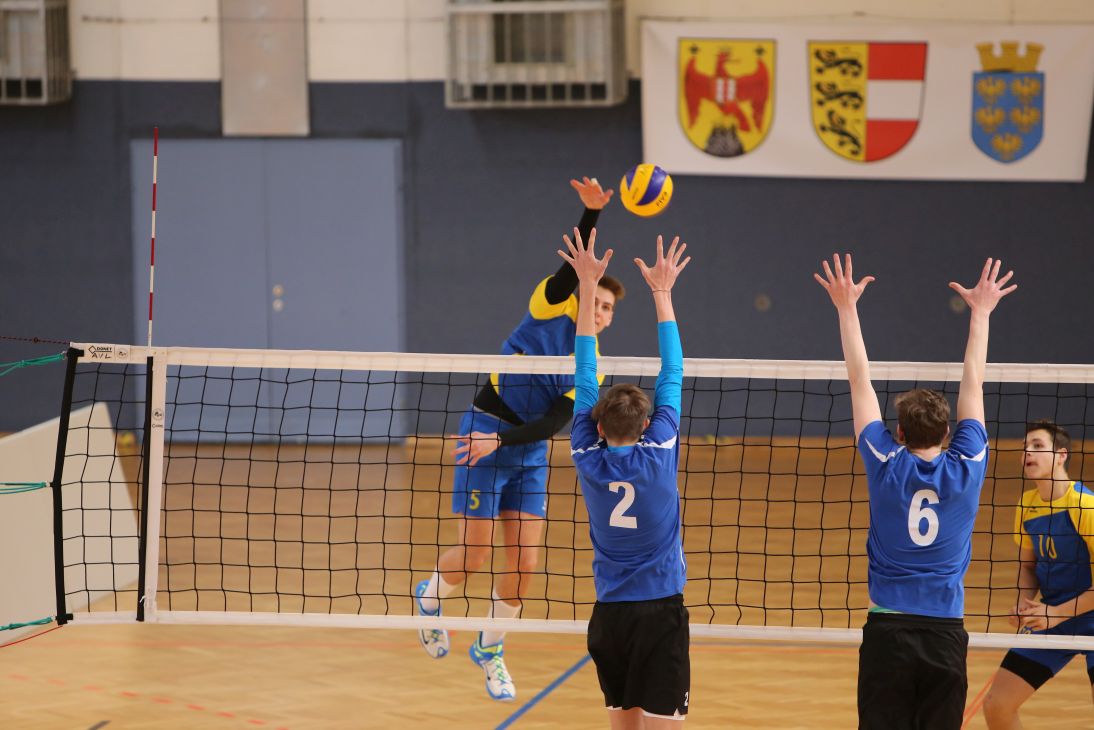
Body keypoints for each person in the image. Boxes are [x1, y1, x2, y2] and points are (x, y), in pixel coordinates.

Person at [414, 177, 625, 702]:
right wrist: (591, 213)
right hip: (484, 431)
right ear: (580, 295)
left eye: (608, 309)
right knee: (475, 555)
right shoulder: (549, 307)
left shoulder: (591, 366)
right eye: (595, 300)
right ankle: (430, 599)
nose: (600, 312)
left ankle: (490, 649)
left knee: (525, 563)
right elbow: (568, 273)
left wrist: (505, 445)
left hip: (523, 449)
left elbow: (553, 422)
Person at [814, 254, 1016, 729]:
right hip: (945, 633)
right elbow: (974, 382)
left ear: (898, 434)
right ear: (948, 433)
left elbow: (859, 380)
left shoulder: (885, 462)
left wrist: (846, 307)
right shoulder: (967, 465)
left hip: (888, 633)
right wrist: (982, 312)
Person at [561, 229, 692, 728]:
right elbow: (672, 371)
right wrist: (663, 292)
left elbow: (584, 372)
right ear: (647, 424)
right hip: (660, 612)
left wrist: (586, 286)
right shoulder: (659, 450)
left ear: (597, 427)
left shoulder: (585, 454)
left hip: (610, 615)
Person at [982, 420, 1094, 728]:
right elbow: (1029, 566)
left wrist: (1055, 613)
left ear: (1061, 455)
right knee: (997, 706)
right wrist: (1024, 602)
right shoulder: (1027, 504)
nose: (1027, 452)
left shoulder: (1085, 506)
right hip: (1053, 618)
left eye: (1038, 446)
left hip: (1082, 614)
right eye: (1024, 447)